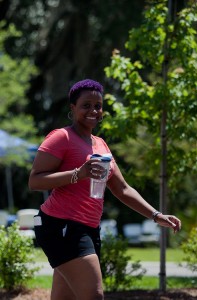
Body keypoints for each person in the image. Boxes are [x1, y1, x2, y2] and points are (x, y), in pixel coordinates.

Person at [29, 79, 181, 300]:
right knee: (94, 295)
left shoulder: (100, 144)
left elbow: (122, 189)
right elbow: (35, 181)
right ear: (73, 108)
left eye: (98, 105)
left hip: (89, 228)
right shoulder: (61, 137)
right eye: (86, 105)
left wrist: (155, 215)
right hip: (60, 226)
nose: (93, 110)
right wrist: (77, 174)